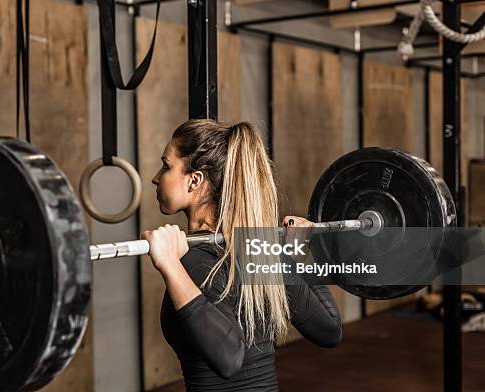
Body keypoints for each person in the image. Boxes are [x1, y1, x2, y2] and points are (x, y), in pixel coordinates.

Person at [142, 120, 342, 391]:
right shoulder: (262, 254)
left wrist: (169, 264)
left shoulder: (192, 263)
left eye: (167, 166)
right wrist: (303, 255)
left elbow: (229, 359)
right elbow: (329, 330)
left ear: (195, 180)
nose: (156, 177)